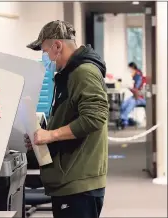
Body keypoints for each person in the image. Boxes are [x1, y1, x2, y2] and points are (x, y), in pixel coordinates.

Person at [24, 20, 109, 218]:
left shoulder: (83, 73)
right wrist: (40, 136)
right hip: (71, 179)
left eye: (45, 51)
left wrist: (51, 135)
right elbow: (71, 115)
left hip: (78, 182)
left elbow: (95, 117)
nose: (46, 57)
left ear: (57, 46)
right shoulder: (70, 74)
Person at [118, 62, 146, 129]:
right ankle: (124, 120)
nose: (129, 71)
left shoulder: (138, 76)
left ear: (133, 68)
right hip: (135, 96)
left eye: (129, 69)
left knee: (131, 103)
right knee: (124, 105)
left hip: (141, 98)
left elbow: (136, 90)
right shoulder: (135, 76)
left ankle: (123, 121)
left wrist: (130, 87)